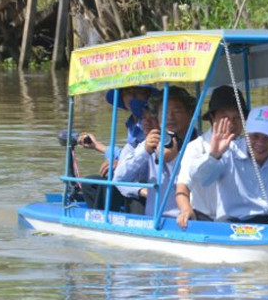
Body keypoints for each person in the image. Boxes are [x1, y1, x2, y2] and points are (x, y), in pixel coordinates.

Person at [114, 86, 198, 217]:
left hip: (191, 220)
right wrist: (144, 151)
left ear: (190, 113)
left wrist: (174, 160)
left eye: (177, 111)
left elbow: (203, 184)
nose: (170, 117)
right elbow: (119, 178)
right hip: (155, 223)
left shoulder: (202, 144)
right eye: (163, 112)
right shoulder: (151, 143)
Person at [76, 85, 159, 211]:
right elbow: (132, 151)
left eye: (138, 92)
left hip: (146, 181)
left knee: (109, 180)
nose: (132, 97)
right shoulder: (133, 125)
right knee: (90, 183)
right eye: (128, 92)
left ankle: (106, 218)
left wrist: (119, 163)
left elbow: (144, 154)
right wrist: (97, 145)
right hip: (134, 174)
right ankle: (99, 218)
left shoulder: (153, 124)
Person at [175, 85, 249, 228]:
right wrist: (185, 210)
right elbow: (182, 187)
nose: (231, 124)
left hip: (241, 220)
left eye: (237, 118)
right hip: (205, 220)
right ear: (212, 117)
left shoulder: (249, 146)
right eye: (225, 118)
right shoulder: (196, 147)